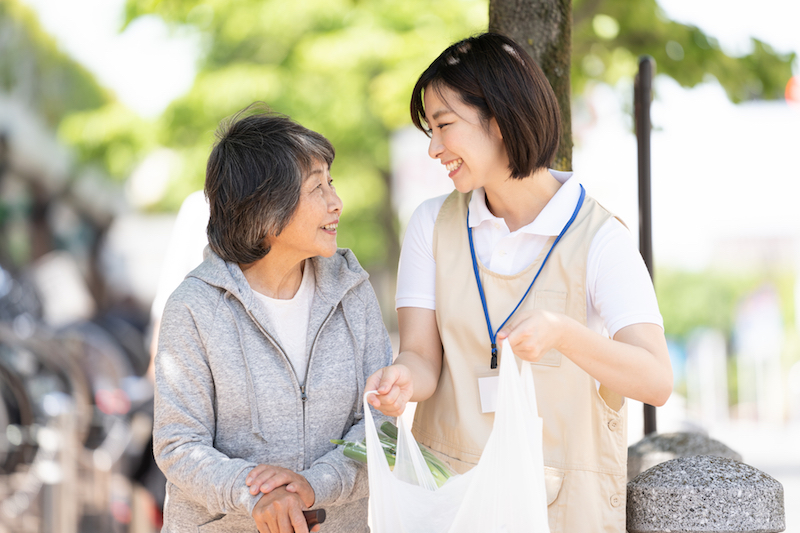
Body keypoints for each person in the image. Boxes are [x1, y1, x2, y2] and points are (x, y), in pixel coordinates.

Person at [366, 33, 672, 532]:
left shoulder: (600, 238)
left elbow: (656, 380)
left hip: (560, 509)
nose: (433, 148)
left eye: (444, 126)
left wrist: (563, 333)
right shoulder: (431, 225)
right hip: (451, 502)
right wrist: (403, 379)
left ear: (502, 119)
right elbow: (421, 356)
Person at [153, 104, 393, 533]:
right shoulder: (193, 307)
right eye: (317, 188)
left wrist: (312, 486)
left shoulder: (353, 292)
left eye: (331, 183)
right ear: (264, 208)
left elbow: (381, 427)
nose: (336, 202)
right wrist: (257, 495)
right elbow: (178, 445)